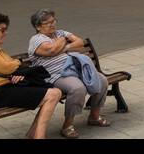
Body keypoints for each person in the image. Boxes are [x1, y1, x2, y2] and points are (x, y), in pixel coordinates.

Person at [0, 13, 62, 140]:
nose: (5, 33)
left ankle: (33, 133)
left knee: (56, 91)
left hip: (7, 88)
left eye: (6, 29)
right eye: (1, 30)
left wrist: (17, 73)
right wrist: (18, 62)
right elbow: (7, 68)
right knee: (52, 95)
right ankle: (39, 136)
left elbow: (13, 70)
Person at [27, 9, 108, 137]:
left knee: (102, 80)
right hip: (54, 75)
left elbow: (80, 42)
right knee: (77, 88)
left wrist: (66, 47)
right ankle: (67, 125)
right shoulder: (36, 39)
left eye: (53, 21)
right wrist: (65, 39)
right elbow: (52, 51)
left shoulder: (59, 33)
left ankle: (94, 116)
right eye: (47, 23)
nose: (52, 24)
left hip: (73, 69)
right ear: (37, 27)